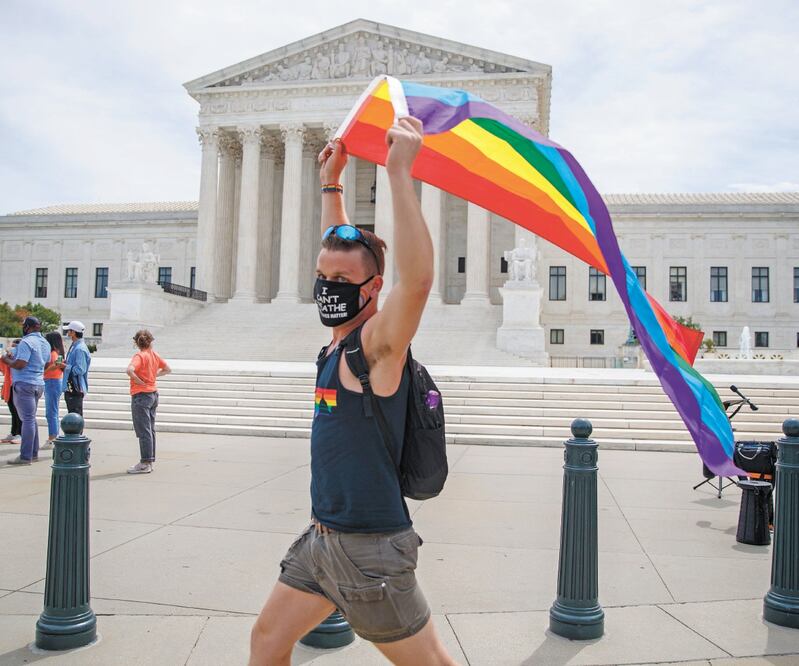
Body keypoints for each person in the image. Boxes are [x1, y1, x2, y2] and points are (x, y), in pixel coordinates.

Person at [249, 118, 457, 665]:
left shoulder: (377, 349)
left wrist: (398, 173)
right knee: (268, 639)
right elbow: (338, 248)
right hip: (321, 538)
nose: (328, 288)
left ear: (373, 290)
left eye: (343, 282)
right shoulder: (337, 344)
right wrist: (332, 184)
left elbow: (415, 282)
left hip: (369, 551)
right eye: (323, 277)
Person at [2, 317, 51, 465]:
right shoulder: (45, 343)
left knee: (27, 420)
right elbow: (47, 364)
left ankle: (25, 456)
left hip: (25, 383)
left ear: (28, 327)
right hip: (38, 383)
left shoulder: (26, 342)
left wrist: (6, 360)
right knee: (31, 418)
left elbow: (20, 364)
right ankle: (33, 454)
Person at [126, 329, 170, 474]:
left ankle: (145, 462)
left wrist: (139, 381)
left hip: (141, 394)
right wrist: (154, 376)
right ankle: (149, 460)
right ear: (151, 341)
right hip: (153, 393)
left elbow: (130, 370)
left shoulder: (140, 355)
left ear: (136, 343)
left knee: (143, 430)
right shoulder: (154, 355)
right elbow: (168, 369)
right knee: (150, 429)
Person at [62, 321, 91, 416]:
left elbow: (80, 369)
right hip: (72, 387)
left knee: (75, 417)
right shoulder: (76, 346)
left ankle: (77, 432)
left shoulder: (79, 348)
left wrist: (65, 367)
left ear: (73, 332)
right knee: (74, 415)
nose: (67, 333)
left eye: (69, 331)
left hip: (75, 387)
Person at [43, 331, 66, 445]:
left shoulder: (53, 353)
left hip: (52, 381)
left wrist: (43, 372)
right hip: (54, 381)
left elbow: (55, 365)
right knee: (52, 411)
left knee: (51, 412)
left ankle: (52, 437)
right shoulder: (58, 352)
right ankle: (53, 436)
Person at [0, 339, 22, 446]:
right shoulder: (10, 358)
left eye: (15, 347)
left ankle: (20, 433)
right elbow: (2, 365)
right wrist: (6, 355)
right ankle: (14, 432)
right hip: (9, 386)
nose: (12, 349)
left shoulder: (21, 358)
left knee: (18, 411)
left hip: (17, 385)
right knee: (13, 411)